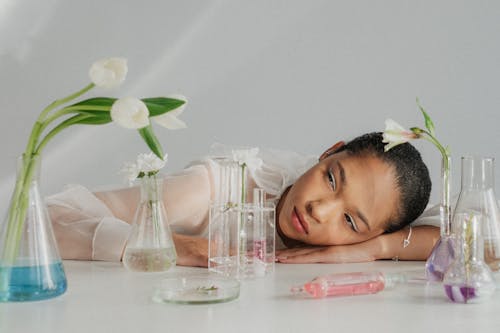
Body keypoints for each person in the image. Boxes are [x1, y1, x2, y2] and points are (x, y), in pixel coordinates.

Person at [47, 132, 440, 267]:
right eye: (331, 178)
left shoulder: (370, 239)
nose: (319, 209)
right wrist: (177, 247)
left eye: (351, 222)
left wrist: (374, 250)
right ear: (329, 152)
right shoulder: (217, 186)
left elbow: (485, 238)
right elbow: (47, 218)